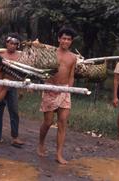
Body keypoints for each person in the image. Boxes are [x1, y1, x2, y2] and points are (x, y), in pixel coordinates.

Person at [37, 27, 77, 164]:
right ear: (59, 39)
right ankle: (41, 143)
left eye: (69, 39)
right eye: (64, 38)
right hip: (49, 89)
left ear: (71, 42)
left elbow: (71, 76)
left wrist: (68, 90)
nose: (66, 41)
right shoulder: (50, 53)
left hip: (65, 90)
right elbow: (42, 71)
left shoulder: (73, 57)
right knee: (48, 122)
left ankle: (58, 154)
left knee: (62, 123)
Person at [0, 33, 24, 147]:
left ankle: (15, 137)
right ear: (6, 43)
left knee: (14, 112)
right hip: (0, 85)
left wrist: (21, 89)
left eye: (15, 44)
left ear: (18, 45)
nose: (12, 46)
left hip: (13, 87)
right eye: (10, 43)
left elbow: (23, 74)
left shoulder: (21, 56)